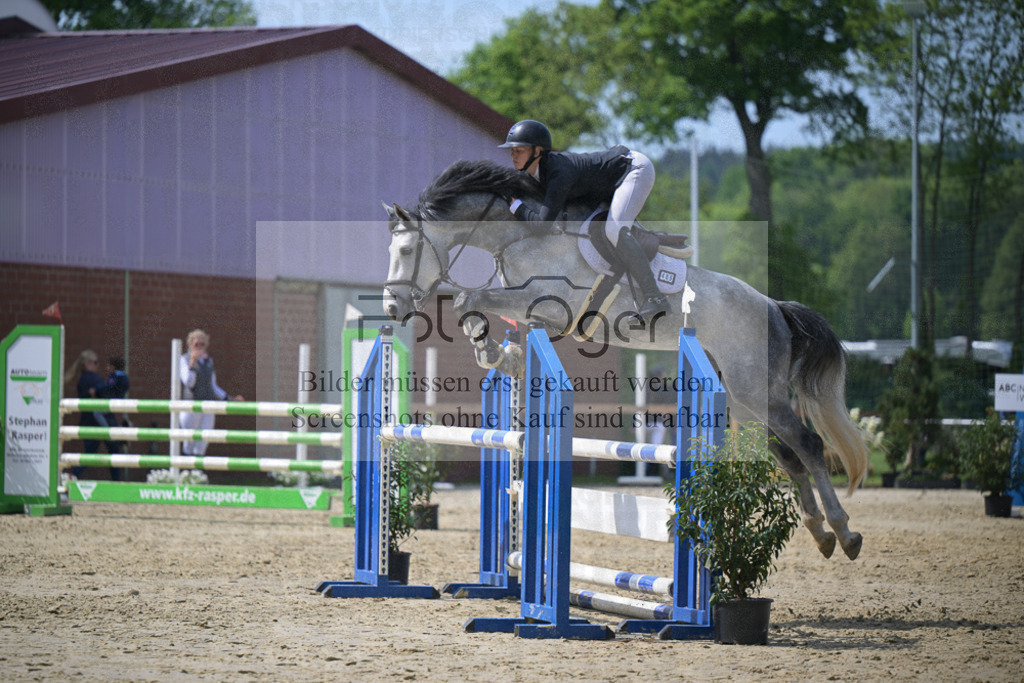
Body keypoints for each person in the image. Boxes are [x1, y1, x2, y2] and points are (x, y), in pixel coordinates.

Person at [499, 119, 668, 320]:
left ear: (537, 152)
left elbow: (542, 226)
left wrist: (515, 205)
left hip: (633, 170)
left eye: (519, 150)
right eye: (512, 150)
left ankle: (654, 297)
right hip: (605, 181)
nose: (512, 155)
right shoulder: (536, 172)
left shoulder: (557, 174)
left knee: (613, 231)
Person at [178, 329, 243, 456]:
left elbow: (213, 386)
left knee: (203, 441)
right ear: (190, 345)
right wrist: (192, 363)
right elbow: (188, 382)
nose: (199, 347)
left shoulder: (209, 361)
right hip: (192, 404)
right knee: (189, 443)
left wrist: (228, 399)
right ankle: (186, 473)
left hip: (208, 403)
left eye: (202, 344)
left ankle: (197, 474)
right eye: (196, 344)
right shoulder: (184, 359)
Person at [63, 349, 107, 478]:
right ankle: (72, 475)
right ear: (87, 364)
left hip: (86, 421)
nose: (98, 365)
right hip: (96, 423)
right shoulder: (95, 379)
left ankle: (72, 475)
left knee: (91, 452)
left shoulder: (81, 380)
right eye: (95, 362)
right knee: (98, 452)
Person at [97, 356, 130, 481]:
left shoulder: (114, 376)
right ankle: (116, 479)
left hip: (111, 407)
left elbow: (108, 387)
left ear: (113, 366)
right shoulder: (125, 377)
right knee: (115, 451)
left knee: (96, 412)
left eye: (109, 366)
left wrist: (98, 389)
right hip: (120, 407)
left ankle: (106, 431)